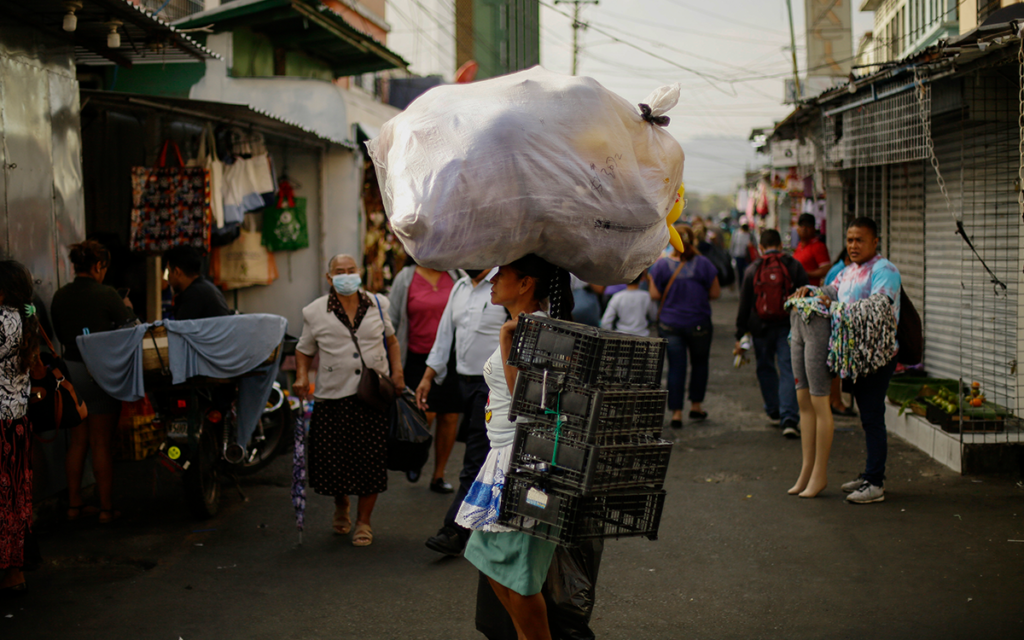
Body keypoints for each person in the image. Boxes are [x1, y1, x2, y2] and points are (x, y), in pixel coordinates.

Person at [455, 254, 575, 640]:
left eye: (501, 274)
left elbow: (528, 404)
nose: (491, 279)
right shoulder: (523, 326)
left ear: (525, 284)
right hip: (507, 462)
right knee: (491, 560)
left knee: (520, 574)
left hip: (529, 466)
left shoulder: (535, 329)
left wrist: (507, 340)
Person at [292, 254, 404, 546]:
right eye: (339, 271)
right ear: (329, 278)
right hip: (333, 396)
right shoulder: (314, 311)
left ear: (359, 273)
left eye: (350, 270)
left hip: (372, 396)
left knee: (371, 463)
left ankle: (363, 522)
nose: (346, 275)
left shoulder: (379, 304)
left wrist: (398, 373)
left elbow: (391, 341)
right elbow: (304, 350)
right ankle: (341, 504)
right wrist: (302, 376)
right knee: (334, 463)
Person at [794, 217, 902, 504]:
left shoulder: (885, 271)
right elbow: (832, 291)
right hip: (855, 357)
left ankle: (875, 483)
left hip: (877, 357)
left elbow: (878, 308)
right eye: (850, 239)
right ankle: (869, 475)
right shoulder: (848, 271)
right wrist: (812, 291)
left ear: (875, 242)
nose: (853, 245)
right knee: (867, 417)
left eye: (860, 240)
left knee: (872, 417)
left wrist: (837, 307)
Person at [418, 268, 505, 556]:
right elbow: (445, 336)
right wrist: (429, 376)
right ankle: (486, 520)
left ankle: (455, 530)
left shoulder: (501, 287)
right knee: (482, 456)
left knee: (475, 457)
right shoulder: (460, 287)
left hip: (492, 385)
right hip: (462, 381)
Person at [51, 240, 135, 524]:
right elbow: (130, 329)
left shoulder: (60, 296)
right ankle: (106, 509)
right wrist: (126, 307)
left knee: (78, 442)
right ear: (98, 266)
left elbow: (60, 334)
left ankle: (74, 506)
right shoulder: (107, 294)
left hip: (71, 372)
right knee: (101, 443)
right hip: (100, 373)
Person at [388, 261, 463, 492]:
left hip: (450, 358)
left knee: (450, 417)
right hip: (416, 358)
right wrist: (394, 365)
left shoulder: (456, 274)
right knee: (423, 415)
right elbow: (392, 322)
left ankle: (438, 475)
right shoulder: (405, 277)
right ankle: (416, 458)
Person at [733, 229, 808, 438]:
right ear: (780, 244)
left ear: (761, 247)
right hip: (788, 326)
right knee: (788, 369)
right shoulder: (793, 266)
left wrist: (740, 333)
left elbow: (745, 304)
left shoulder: (753, 268)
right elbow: (805, 297)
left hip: (760, 328)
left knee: (765, 368)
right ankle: (789, 418)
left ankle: (774, 410)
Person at [648, 225, 721, 429]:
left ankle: (677, 413)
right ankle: (696, 406)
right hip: (699, 324)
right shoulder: (704, 264)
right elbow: (715, 293)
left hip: (670, 324)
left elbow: (654, 295)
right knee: (699, 364)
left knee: (676, 368)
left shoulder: (661, 266)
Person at [0, 261, 41, 598]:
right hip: (18, 423)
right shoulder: (26, 318)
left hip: (0, 424)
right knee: (15, 497)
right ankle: (14, 572)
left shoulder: (2, 320)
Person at [825, 249, 856, 418]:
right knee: (835, 365)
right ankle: (835, 401)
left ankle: (834, 400)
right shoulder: (841, 272)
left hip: (836, 322)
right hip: (835, 323)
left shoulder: (838, 269)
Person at [162, 245, 232, 321]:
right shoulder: (204, 288)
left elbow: (181, 330)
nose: (167, 278)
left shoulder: (194, 295)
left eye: (168, 272)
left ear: (177, 272)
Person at [600, 272, 656, 336]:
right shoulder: (647, 296)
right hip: (642, 336)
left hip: (621, 335)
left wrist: (611, 335)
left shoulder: (617, 297)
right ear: (641, 278)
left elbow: (605, 322)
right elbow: (653, 316)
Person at [793, 213, 832, 286]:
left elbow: (826, 269)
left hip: (811, 291)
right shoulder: (799, 246)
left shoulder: (818, 246)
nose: (804, 228)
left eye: (808, 225)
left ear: (813, 228)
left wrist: (806, 274)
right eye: (801, 225)